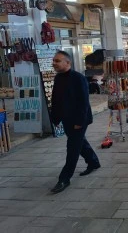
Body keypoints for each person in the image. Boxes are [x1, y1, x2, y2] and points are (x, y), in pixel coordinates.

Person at [50, 51, 100, 194]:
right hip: (66, 119)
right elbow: (56, 99)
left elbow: (84, 102)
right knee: (79, 143)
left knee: (72, 148)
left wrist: (79, 121)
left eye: (57, 61)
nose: (54, 63)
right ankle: (93, 162)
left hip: (79, 119)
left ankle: (64, 178)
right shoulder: (58, 78)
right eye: (54, 60)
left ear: (68, 63)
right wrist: (55, 118)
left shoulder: (78, 78)